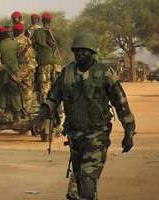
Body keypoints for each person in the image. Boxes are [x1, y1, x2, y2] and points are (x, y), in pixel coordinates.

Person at [28, 32, 136, 200]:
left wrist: (129, 131)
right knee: (77, 185)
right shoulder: (67, 73)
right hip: (74, 136)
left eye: (84, 51)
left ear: (92, 53)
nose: (79, 54)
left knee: (87, 180)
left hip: (97, 135)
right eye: (77, 51)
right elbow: (52, 99)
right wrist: (39, 118)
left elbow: (120, 103)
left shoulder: (105, 73)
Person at [31, 11, 63, 140]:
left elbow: (32, 45)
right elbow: (58, 44)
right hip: (57, 65)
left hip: (44, 64)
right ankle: (58, 124)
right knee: (57, 92)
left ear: (42, 21)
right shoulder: (55, 32)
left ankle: (46, 119)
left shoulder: (37, 32)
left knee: (45, 92)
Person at [0, 27, 23, 121]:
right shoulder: (15, 43)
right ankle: (18, 111)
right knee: (15, 91)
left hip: (3, 72)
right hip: (15, 71)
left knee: (2, 90)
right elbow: (20, 56)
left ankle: (2, 109)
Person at [12, 23, 37, 113]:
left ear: (17, 31)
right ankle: (27, 109)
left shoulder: (16, 41)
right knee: (28, 88)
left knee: (13, 86)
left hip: (22, 68)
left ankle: (17, 109)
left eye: (14, 31)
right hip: (31, 67)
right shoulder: (29, 40)